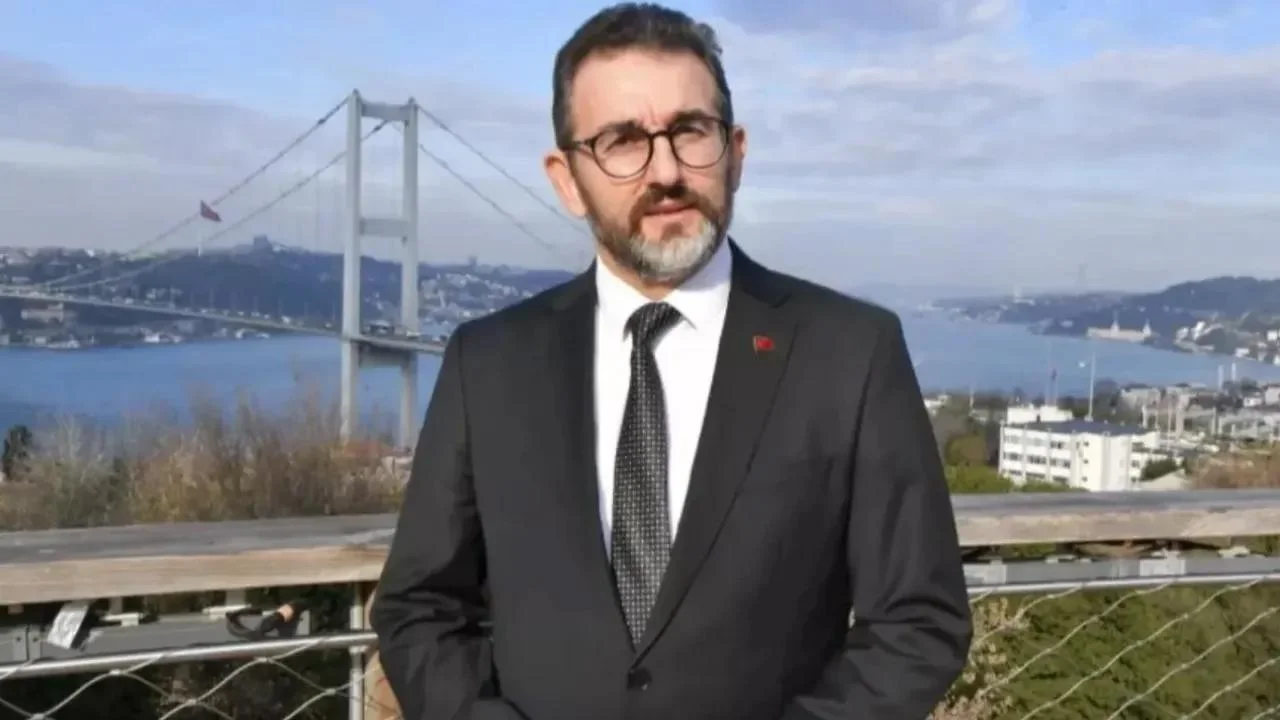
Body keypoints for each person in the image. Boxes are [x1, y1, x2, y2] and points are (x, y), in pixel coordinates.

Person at [369, 3, 972, 719]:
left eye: (690, 131)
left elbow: (918, 621)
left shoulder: (851, 353)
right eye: (622, 141)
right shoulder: (488, 363)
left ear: (735, 153)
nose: (665, 171)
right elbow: (420, 606)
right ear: (566, 179)